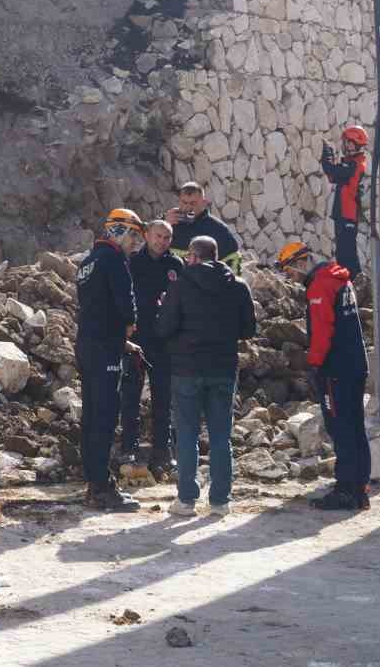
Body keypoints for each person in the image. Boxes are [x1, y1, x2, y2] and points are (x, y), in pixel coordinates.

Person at [155, 235, 256, 518]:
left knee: (186, 434)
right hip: (223, 369)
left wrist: (165, 309)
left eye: (188, 256)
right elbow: (248, 330)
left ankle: (186, 500)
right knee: (221, 435)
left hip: (186, 369)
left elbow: (163, 329)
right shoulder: (238, 286)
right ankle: (220, 501)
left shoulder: (180, 286)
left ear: (194, 257)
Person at [277, 240, 371, 511]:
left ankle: (344, 490)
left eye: (290, 271)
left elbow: (322, 331)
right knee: (355, 427)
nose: (290, 277)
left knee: (339, 428)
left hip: (336, 369)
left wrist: (314, 364)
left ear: (300, 262)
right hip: (355, 364)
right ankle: (359, 488)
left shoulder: (319, 285)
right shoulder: (340, 279)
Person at [77, 207, 147, 511]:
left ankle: (94, 481)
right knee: (105, 418)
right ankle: (102, 489)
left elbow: (96, 308)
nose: (135, 245)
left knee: (91, 415)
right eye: (134, 237)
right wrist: (129, 327)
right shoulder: (113, 259)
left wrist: (122, 341)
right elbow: (125, 304)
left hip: (88, 345)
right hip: (105, 349)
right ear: (121, 231)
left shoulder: (88, 261)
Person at [120, 220, 182, 477]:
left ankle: (162, 454)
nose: (162, 241)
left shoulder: (176, 266)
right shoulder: (132, 262)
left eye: (167, 237)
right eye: (158, 236)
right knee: (131, 395)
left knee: (163, 398)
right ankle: (129, 450)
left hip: (165, 342)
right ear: (147, 235)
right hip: (137, 339)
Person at [320, 125, 370, 277]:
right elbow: (333, 176)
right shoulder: (352, 162)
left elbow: (332, 171)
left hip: (347, 216)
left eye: (348, 142)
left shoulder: (355, 164)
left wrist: (327, 156)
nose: (345, 145)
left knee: (347, 256)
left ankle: (357, 286)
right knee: (343, 255)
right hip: (343, 216)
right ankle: (350, 287)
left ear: (356, 144)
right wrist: (329, 161)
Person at [167, 182, 243, 274]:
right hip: (173, 284)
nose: (187, 207)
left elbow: (233, 259)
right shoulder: (169, 223)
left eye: (193, 203)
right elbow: (152, 250)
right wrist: (165, 224)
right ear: (179, 202)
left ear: (204, 203)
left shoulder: (217, 229)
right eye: (184, 202)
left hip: (204, 285)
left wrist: (229, 286)